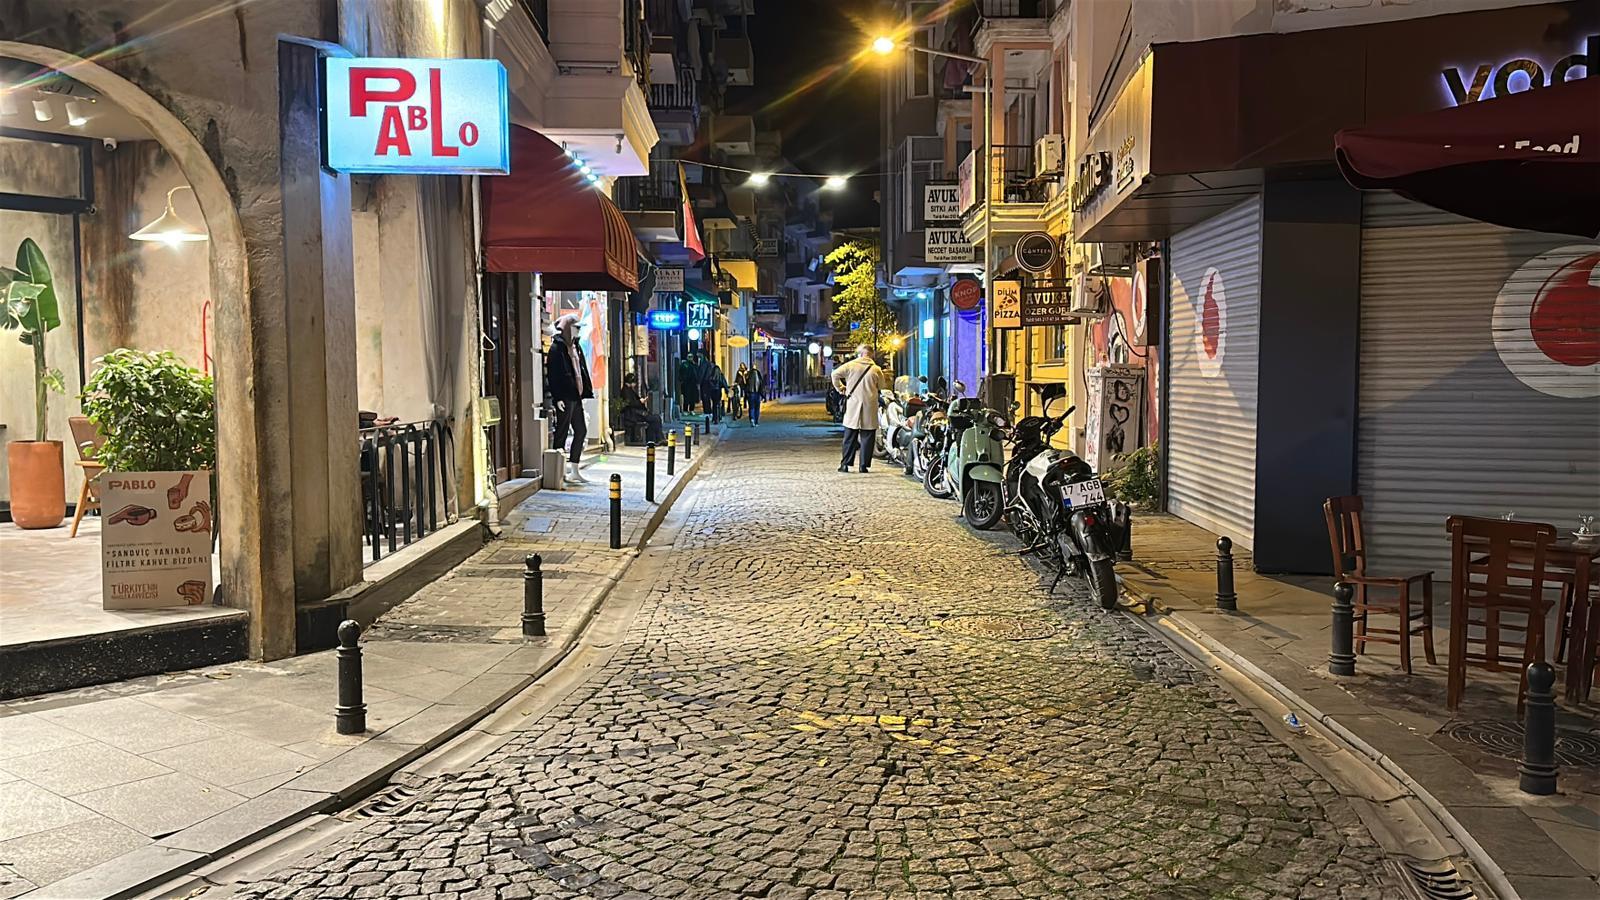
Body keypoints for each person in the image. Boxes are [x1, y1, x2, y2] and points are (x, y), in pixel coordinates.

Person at [545, 313, 593, 485]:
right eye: (575, 327)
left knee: (581, 430)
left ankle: (574, 469)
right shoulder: (557, 349)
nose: (578, 331)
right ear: (567, 328)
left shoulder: (576, 347)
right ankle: (559, 470)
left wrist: (585, 390)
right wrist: (557, 397)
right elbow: (553, 374)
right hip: (565, 396)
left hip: (576, 395)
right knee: (562, 432)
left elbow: (580, 369)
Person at [830, 345, 884, 473]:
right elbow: (882, 386)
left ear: (860, 354)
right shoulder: (876, 369)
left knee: (849, 436)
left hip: (853, 405)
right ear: (871, 354)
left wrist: (841, 388)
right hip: (869, 406)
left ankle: (845, 464)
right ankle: (863, 466)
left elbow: (834, 374)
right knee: (868, 437)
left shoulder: (850, 365)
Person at [619, 371, 664, 444]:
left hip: (637, 413)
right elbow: (631, 403)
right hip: (633, 415)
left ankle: (657, 438)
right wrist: (640, 401)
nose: (635, 385)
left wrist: (641, 401)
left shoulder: (629, 390)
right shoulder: (625, 391)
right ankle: (656, 438)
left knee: (656, 418)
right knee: (655, 419)